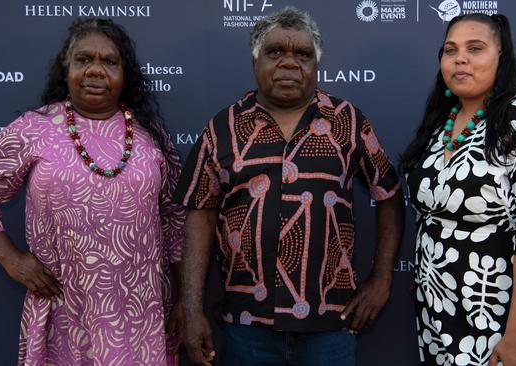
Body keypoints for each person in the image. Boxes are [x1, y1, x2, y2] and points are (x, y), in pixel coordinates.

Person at [173, 6, 404, 366]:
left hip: (330, 325)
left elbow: (389, 194)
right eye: (275, 51)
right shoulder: (223, 129)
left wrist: (382, 279)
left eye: (303, 54)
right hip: (246, 325)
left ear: (316, 64)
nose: (289, 63)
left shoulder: (347, 121)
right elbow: (200, 216)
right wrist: (192, 309)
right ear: (255, 61)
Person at [0, 18, 185, 365]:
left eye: (109, 61)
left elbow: (175, 218)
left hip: (141, 313)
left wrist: (182, 298)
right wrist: (13, 260)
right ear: (66, 69)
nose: (95, 70)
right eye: (83, 59)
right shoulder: (37, 128)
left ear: (125, 74)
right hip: (64, 309)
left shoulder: (150, 137)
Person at [400, 13, 516, 366]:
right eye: (450, 50)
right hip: (442, 317)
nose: (460, 58)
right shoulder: (440, 123)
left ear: (502, 57)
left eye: (476, 48)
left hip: (509, 322)